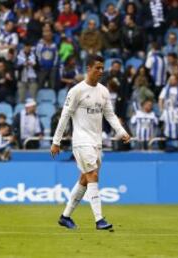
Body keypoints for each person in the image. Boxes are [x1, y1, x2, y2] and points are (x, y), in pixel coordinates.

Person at [50, 55, 130, 230]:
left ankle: (65, 217)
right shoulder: (76, 91)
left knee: (85, 179)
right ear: (88, 68)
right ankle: (99, 219)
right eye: (97, 68)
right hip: (81, 141)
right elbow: (65, 116)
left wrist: (121, 131)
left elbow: (109, 114)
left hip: (96, 141)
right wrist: (56, 141)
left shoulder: (103, 91)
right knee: (93, 175)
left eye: (102, 68)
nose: (101, 71)